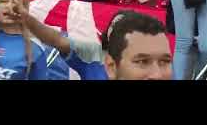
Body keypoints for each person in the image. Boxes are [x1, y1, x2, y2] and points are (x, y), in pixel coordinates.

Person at [12, 7, 172, 80]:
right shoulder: (92, 51)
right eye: (115, 26)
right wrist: (29, 20)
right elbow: (56, 39)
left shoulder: (156, 65)